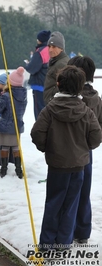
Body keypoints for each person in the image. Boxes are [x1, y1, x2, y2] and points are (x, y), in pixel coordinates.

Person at [31, 65, 101, 251]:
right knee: (71, 204)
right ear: (80, 87)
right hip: (78, 166)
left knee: (53, 202)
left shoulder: (49, 109)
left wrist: (47, 148)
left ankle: (47, 242)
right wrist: (84, 149)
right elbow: (96, 136)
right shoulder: (86, 112)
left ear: (58, 84)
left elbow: (37, 133)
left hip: (56, 166)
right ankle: (64, 242)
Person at [68, 56, 102, 244]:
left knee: (69, 191)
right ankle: (82, 231)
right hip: (87, 151)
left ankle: (68, 230)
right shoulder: (96, 98)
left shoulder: (75, 99)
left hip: (70, 150)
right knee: (84, 190)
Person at [0, 67, 27, 178]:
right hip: (18, 126)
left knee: (5, 147)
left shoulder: (6, 96)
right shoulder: (23, 96)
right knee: (16, 147)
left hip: (5, 126)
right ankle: (19, 170)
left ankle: (3, 169)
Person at [24, 30, 50, 120]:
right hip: (50, 85)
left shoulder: (40, 51)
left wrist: (27, 65)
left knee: (39, 111)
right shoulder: (52, 49)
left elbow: (32, 68)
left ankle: (40, 131)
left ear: (40, 40)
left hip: (39, 85)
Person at [43, 31, 69, 105]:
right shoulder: (55, 61)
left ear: (61, 48)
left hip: (56, 106)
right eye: (49, 46)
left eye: (54, 47)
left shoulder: (62, 64)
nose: (50, 50)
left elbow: (65, 88)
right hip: (52, 105)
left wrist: (53, 99)